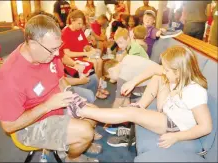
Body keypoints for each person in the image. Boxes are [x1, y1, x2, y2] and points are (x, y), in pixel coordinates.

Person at [0, 14, 102, 162]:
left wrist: (72, 98)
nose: (57, 54)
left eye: (58, 48)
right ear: (33, 44)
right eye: (52, 50)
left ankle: (73, 143)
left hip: (54, 106)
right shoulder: (9, 76)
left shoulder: (49, 53)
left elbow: (61, 80)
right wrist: (47, 106)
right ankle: (73, 157)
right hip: (29, 126)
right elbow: (9, 125)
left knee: (93, 114)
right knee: (85, 132)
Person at [67, 46, 212, 149]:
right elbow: (155, 69)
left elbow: (206, 127)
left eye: (167, 70)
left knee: (132, 113)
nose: (165, 71)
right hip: (169, 109)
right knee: (157, 76)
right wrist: (133, 82)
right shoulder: (179, 76)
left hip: (175, 126)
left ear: (179, 71)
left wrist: (176, 137)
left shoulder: (194, 91)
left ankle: (82, 111)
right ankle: (140, 105)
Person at [61, 10, 109, 99]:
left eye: (81, 24)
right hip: (73, 59)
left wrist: (91, 49)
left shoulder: (79, 31)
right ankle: (98, 89)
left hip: (82, 56)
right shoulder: (65, 32)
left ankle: (99, 86)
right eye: (79, 23)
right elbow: (67, 53)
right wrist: (86, 52)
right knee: (95, 62)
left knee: (99, 60)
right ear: (72, 20)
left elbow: (85, 44)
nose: (80, 26)